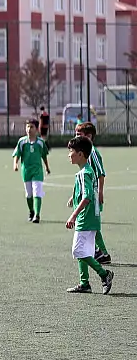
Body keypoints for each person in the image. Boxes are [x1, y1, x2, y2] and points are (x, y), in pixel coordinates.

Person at [63, 136, 114, 295]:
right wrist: (73, 196)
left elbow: (86, 197)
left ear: (81, 154)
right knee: (83, 251)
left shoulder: (85, 172)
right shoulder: (85, 171)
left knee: (78, 251)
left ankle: (104, 274)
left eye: (71, 151)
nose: (69, 155)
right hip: (90, 216)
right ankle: (84, 283)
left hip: (86, 217)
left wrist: (73, 215)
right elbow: (85, 192)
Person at [74, 122, 111, 264]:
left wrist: (100, 192)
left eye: (79, 134)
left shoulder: (93, 153)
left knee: (92, 224)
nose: (76, 137)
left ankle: (103, 253)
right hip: (87, 193)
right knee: (91, 223)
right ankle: (98, 251)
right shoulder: (84, 153)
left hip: (93, 195)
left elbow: (101, 174)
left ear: (88, 136)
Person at [12, 120, 50, 223]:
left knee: (37, 192)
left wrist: (47, 167)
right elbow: (17, 154)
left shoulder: (40, 142)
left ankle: (37, 215)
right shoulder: (22, 142)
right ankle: (31, 211)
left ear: (36, 129)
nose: (29, 129)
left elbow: (44, 155)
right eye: (27, 127)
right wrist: (15, 164)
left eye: (31, 127)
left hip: (37, 171)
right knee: (29, 194)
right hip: (26, 171)